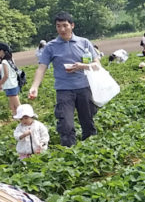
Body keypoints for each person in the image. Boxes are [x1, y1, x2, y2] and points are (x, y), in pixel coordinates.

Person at [29, 12, 101, 147]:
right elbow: (41, 68)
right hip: (64, 90)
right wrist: (35, 86)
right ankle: (69, 151)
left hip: (84, 88)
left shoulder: (84, 43)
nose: (62, 29)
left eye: (65, 25)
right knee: (65, 123)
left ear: (72, 25)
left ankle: (91, 149)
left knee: (88, 121)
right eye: (58, 26)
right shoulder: (51, 46)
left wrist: (82, 66)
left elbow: (97, 66)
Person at [0, 43, 21, 116]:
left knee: (18, 106)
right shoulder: (10, 59)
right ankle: (16, 118)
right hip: (13, 83)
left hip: (10, 85)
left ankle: (23, 118)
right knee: (13, 106)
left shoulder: (4, 62)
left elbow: (6, 75)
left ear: (1, 51)